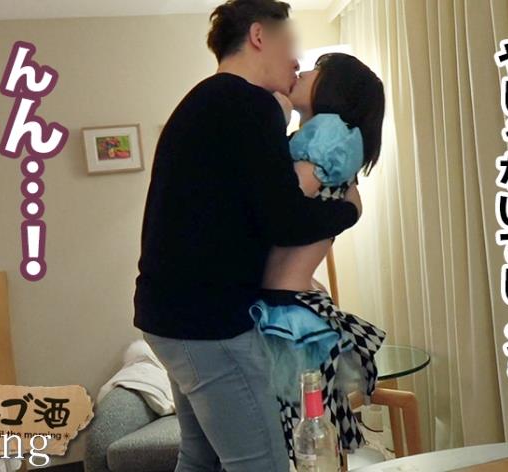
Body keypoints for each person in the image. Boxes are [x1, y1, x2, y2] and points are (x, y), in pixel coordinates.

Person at [132, 1, 362, 471]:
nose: (295, 61)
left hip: (167, 314)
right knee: (261, 464)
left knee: (201, 458)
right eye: (291, 45)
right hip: (207, 321)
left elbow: (252, 212)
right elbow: (285, 219)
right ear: (259, 36)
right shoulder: (247, 104)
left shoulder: (206, 101)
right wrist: (349, 210)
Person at [249, 52, 387, 469]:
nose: (302, 72)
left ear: (334, 89)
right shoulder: (325, 140)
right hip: (295, 300)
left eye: (316, 71)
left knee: (297, 437)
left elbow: (282, 209)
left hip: (286, 308)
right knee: (312, 432)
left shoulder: (327, 136)